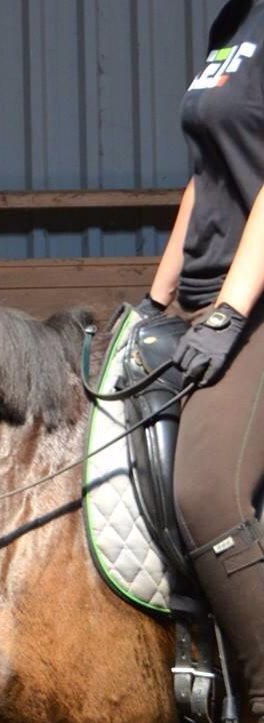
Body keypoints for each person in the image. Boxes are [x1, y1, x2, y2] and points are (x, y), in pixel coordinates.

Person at [138, 0, 264, 715]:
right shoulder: (231, 27)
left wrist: (230, 313)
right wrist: (154, 305)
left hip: (256, 303)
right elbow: (205, 181)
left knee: (205, 490)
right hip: (205, 298)